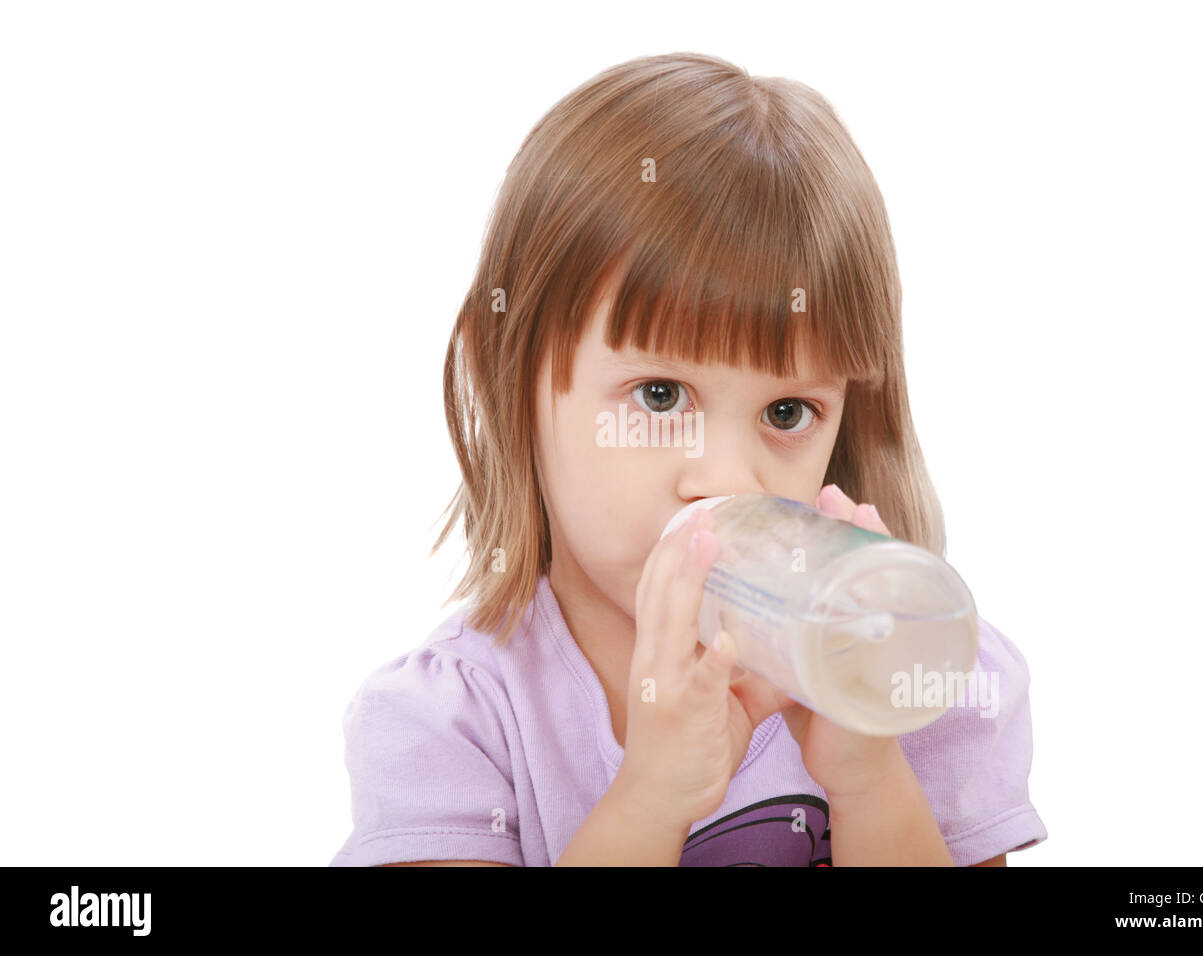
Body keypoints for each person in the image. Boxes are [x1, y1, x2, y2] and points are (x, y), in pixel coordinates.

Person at [329, 51, 1047, 867]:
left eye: (787, 412)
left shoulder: (915, 675)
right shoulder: (453, 727)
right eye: (661, 397)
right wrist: (650, 800)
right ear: (513, 379)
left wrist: (872, 780)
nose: (728, 480)